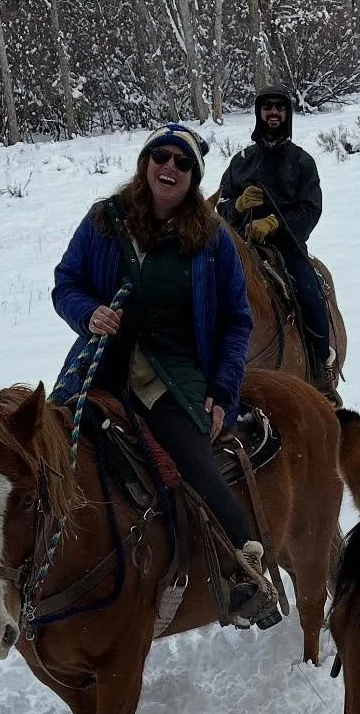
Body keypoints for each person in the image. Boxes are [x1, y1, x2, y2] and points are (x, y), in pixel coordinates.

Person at [49, 123, 279, 627]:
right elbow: (65, 283)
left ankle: (246, 570)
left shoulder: (212, 239)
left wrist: (222, 390)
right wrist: (88, 312)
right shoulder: (103, 221)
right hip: (100, 364)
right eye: (161, 157)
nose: (169, 167)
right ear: (145, 162)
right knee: (50, 446)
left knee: (193, 458)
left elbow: (236, 320)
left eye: (182, 162)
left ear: (194, 176)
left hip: (173, 373)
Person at [217, 86, 333, 389]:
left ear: (287, 114)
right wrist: (238, 206)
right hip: (242, 247)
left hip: (286, 248)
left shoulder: (301, 162)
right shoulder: (240, 161)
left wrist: (274, 223)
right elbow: (220, 209)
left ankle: (322, 370)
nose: (272, 112)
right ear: (258, 113)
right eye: (267, 107)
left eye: (279, 107)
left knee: (309, 293)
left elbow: (311, 209)